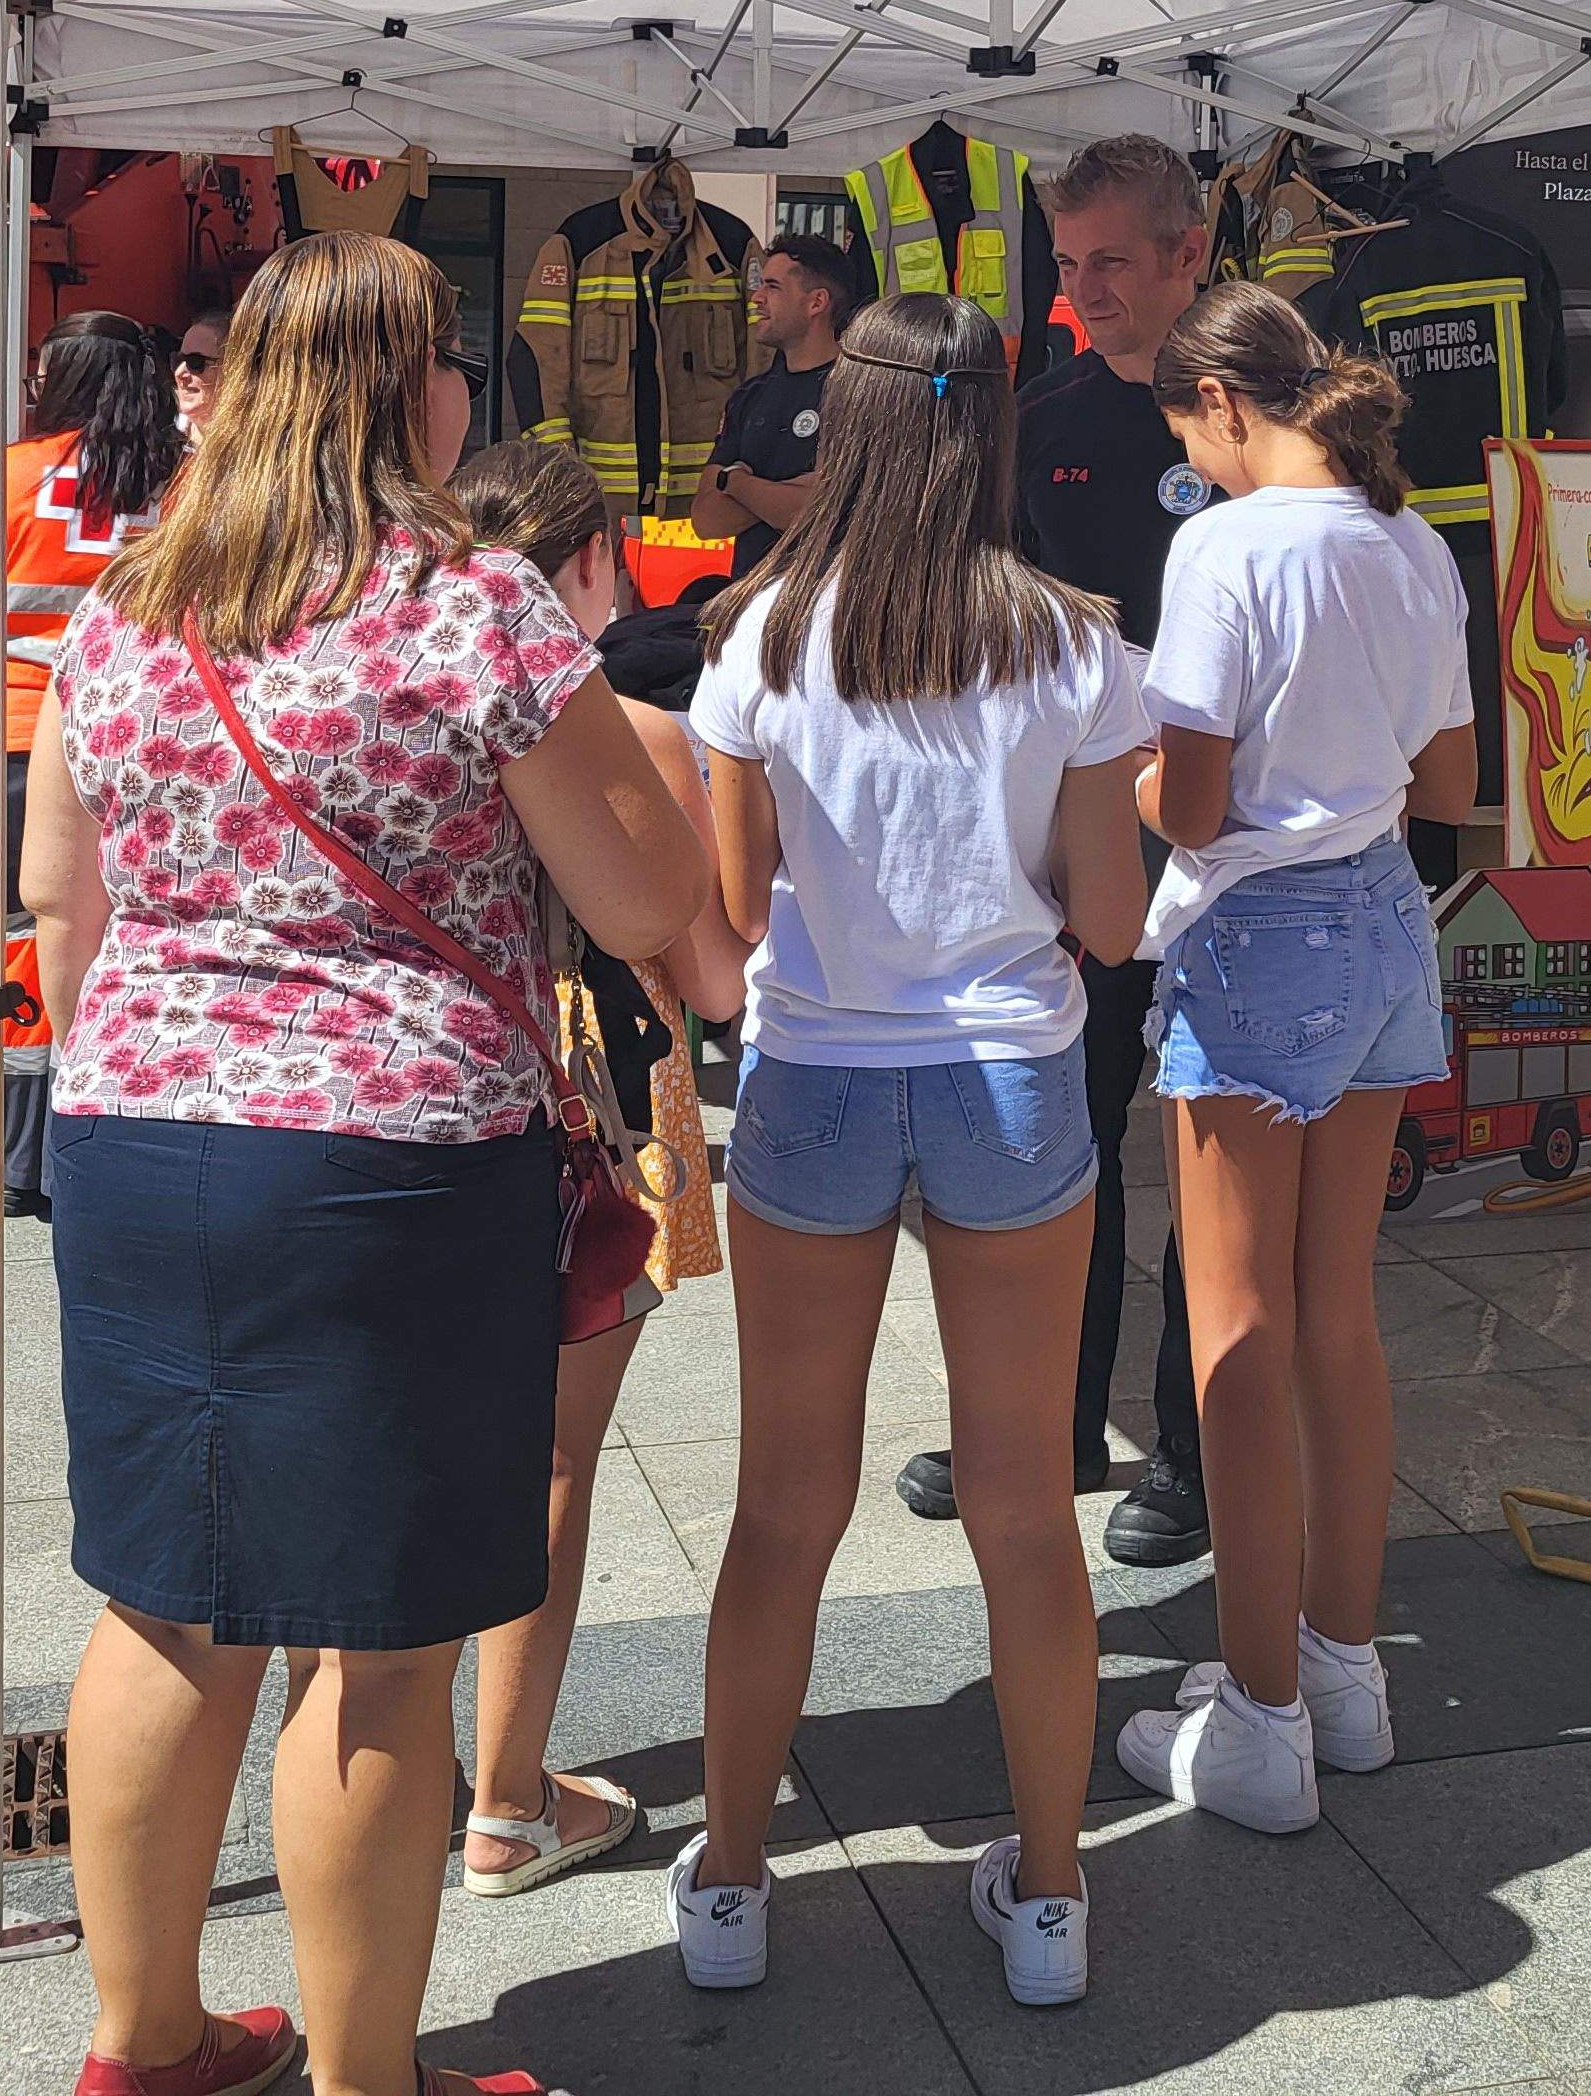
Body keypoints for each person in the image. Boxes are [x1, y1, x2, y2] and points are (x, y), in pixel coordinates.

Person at [19, 233, 705, 2096]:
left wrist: (164, 1061)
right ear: (420, 389)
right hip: (390, 1163)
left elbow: (58, 904)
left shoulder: (130, 602)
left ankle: (146, 2044)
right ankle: (363, 2080)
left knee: (164, 1606)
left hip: (135, 1139)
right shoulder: (473, 608)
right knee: (381, 1648)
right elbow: (644, 897)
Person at [671, 293, 1150, 2010]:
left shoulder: (757, 637)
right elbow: (1113, 919)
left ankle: (732, 1885)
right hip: (1012, 1078)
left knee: (781, 1507)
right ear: (995, 426)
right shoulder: (1075, 645)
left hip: (813, 1074)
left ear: (850, 426)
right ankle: (1051, 1897)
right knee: (1026, 1508)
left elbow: (739, 908)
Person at [1117, 283, 1470, 1837]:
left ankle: (1260, 1717)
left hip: (1259, 931)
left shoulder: (1226, 547)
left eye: (1188, 434)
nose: (1192, 465)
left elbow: (1193, 808)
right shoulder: (1413, 540)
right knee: (1339, 1315)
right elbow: (1451, 777)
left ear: (1221, 404)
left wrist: (1122, 777)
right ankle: (1341, 1676)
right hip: (1388, 917)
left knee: (1235, 1336)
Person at [897, 131, 1210, 1570]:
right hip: (1083, 838)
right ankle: (1054, 1427)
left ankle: (1190, 1452)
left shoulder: (1262, 415)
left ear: (1189, 255)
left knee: (1206, 1151)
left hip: (1227, 845)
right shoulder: (1045, 415)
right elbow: (990, 613)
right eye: (1070, 262)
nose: (1085, 289)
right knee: (1065, 1139)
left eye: (1113, 262)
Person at [444, 442, 745, 1899]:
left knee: (421, 1448)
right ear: (588, 563)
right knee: (556, 1464)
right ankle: (508, 1802)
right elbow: (714, 977)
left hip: (439, 1104)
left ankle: (391, 1767)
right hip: (604, 1120)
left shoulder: (407, 704)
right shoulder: (637, 733)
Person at [0, 310, 177, 1216]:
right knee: (127, 933)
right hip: (143, 745)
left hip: (9, 737)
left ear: (60, 378)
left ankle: (18, 1153)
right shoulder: (187, 482)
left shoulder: (7, 475)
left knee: (13, 935)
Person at [688, 233, 855, 578]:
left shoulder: (857, 393)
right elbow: (706, 520)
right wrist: (789, 493)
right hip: (751, 599)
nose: (757, 297)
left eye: (773, 287)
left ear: (816, 302)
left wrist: (736, 483)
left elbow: (825, 509)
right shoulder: (749, 396)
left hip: (825, 596)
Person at [170, 309, 230, 440]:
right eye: (177, 361)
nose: (179, 373)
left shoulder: (255, 445)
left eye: (195, 362)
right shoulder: (161, 440)